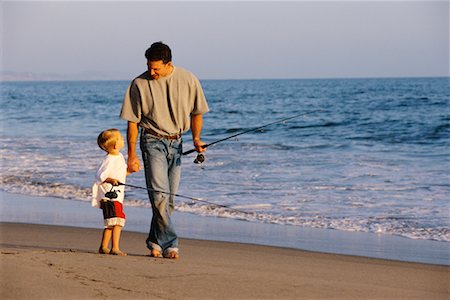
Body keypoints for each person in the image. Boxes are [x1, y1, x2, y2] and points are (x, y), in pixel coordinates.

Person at [120, 42, 209, 259]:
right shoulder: (139, 84)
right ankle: (171, 243)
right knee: (159, 196)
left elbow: (197, 113)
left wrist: (196, 139)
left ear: (169, 64)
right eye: (149, 67)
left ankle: (155, 242)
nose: (151, 72)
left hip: (177, 143)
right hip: (151, 141)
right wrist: (131, 155)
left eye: (156, 68)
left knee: (167, 200)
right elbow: (132, 122)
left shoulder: (189, 79)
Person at [92, 128, 128, 256]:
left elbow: (120, 173)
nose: (123, 140)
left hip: (118, 194)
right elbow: (99, 176)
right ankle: (115, 248)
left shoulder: (119, 157)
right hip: (109, 195)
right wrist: (110, 180)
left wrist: (130, 171)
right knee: (117, 220)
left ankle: (103, 247)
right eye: (121, 138)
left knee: (111, 222)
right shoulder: (109, 159)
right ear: (115, 145)